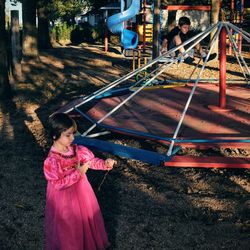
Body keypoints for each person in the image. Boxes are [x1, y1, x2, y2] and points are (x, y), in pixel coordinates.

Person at [43, 112, 116, 250]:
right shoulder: (52, 160)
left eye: (73, 134)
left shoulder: (77, 150)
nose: (72, 138)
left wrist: (104, 164)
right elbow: (58, 184)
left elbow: (91, 161)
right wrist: (78, 173)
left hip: (83, 194)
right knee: (69, 226)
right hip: (63, 200)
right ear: (54, 136)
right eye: (68, 135)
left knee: (85, 221)